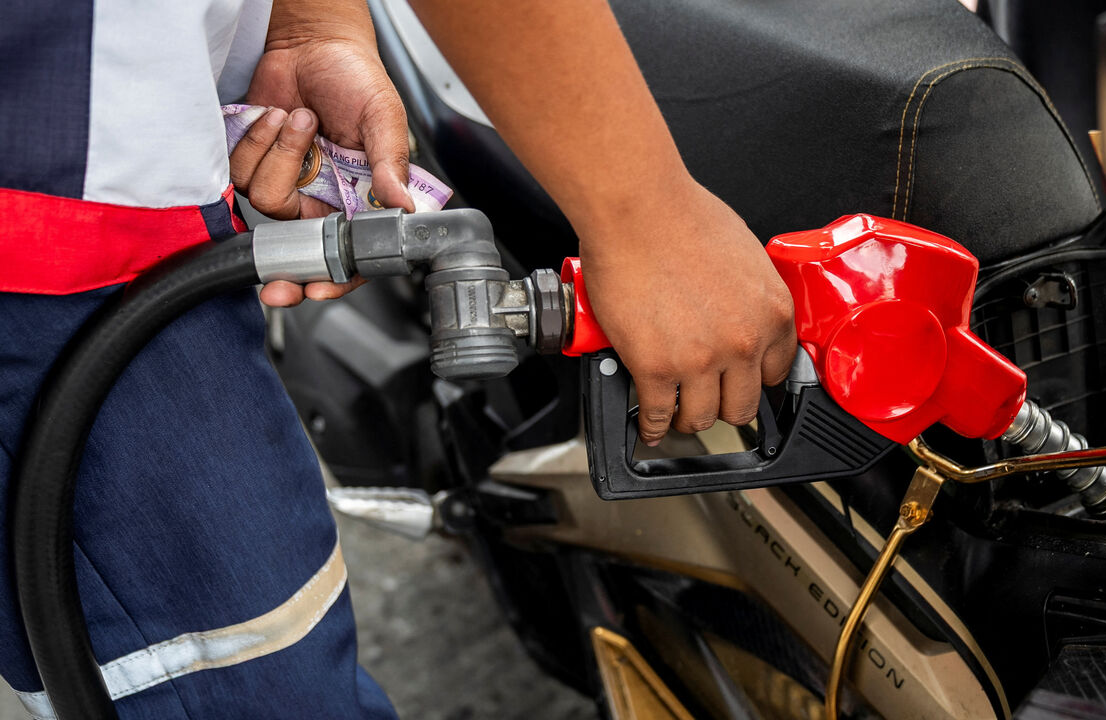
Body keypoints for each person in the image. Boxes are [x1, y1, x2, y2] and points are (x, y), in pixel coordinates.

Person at [0, 0, 794, 716]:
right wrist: (647, 217)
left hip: (119, 174)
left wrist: (308, 19)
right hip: (51, 245)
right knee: (257, 693)